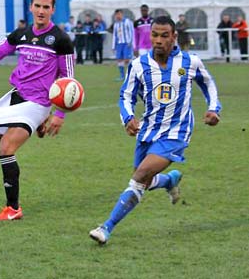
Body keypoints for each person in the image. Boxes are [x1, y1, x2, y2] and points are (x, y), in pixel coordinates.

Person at [89, 16, 221, 245]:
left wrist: (213, 109)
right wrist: (128, 118)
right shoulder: (139, 64)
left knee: (139, 178)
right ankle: (170, 181)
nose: (158, 40)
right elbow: (126, 95)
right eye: (154, 35)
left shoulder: (190, 62)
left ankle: (106, 227)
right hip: (148, 129)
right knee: (146, 180)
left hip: (177, 132)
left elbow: (208, 83)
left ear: (174, 37)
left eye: (164, 35)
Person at [0, 0, 75, 221]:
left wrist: (60, 113)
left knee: (6, 148)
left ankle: (13, 209)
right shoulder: (20, 34)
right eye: (37, 6)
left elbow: (69, 80)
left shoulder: (61, 40)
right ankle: (36, 126)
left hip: (38, 103)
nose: (41, 11)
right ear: (31, 7)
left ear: (52, 10)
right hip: (15, 96)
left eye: (46, 7)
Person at [112, 9, 134, 81]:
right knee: (119, 59)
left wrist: (130, 42)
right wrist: (113, 46)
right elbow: (115, 35)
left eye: (119, 14)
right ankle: (122, 76)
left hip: (126, 43)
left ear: (122, 14)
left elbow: (131, 31)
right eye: (116, 15)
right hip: (119, 44)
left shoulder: (127, 21)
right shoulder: (116, 24)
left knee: (127, 60)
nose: (118, 16)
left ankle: (130, 75)